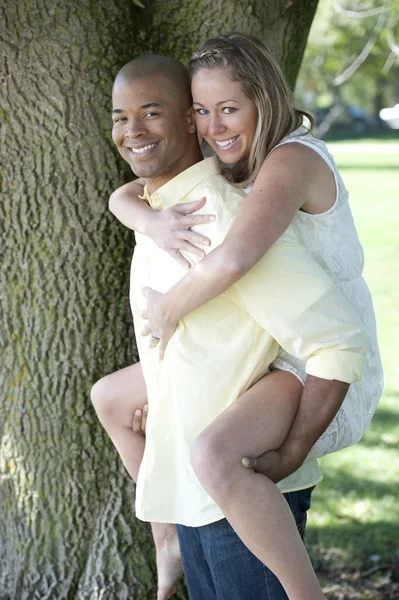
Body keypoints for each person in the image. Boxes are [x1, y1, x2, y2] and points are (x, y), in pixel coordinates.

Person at [92, 49, 372, 600]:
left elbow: (336, 340)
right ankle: (163, 536)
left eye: (152, 112)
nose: (132, 131)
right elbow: (127, 197)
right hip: (194, 494)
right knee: (110, 395)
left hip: (241, 485)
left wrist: (290, 449)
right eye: (121, 118)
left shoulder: (222, 217)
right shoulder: (164, 211)